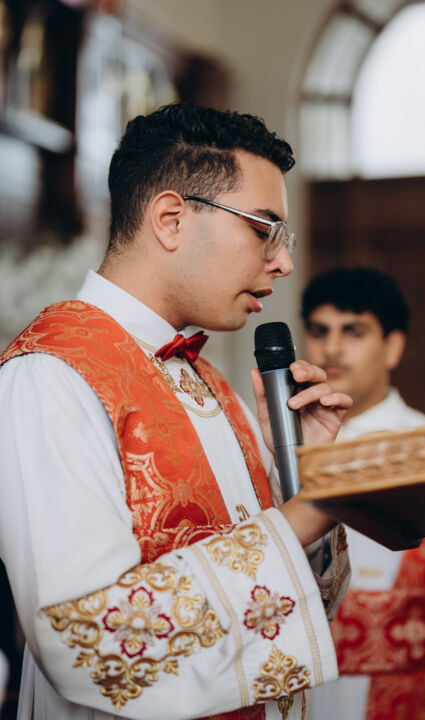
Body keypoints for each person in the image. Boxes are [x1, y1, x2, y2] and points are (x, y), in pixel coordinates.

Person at [0, 104, 353, 720]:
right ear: (171, 219)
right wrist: (299, 518)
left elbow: (286, 609)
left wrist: (306, 478)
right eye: (264, 230)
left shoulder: (210, 382)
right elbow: (84, 635)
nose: (283, 262)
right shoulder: (51, 374)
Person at [301, 266, 425, 720]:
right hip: (302, 691)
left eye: (353, 331)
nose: (332, 348)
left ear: (393, 346)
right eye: (319, 331)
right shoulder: (278, 448)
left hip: (420, 694)